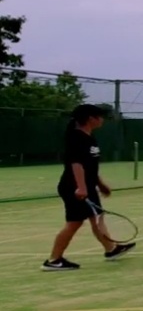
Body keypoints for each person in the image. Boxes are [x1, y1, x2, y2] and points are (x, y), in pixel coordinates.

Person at [44, 104, 135, 271]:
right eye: (100, 116)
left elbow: (89, 166)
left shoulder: (89, 138)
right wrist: (81, 187)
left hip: (87, 186)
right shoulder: (76, 137)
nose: (102, 120)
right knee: (74, 223)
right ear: (90, 118)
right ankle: (54, 260)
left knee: (98, 217)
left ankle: (111, 249)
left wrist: (100, 184)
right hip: (74, 187)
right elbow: (76, 163)